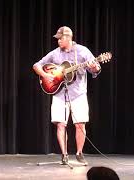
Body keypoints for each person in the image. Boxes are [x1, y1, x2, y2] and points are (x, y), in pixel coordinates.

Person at [33, 26, 101, 165]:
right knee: (61, 125)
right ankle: (64, 155)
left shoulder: (82, 51)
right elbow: (36, 65)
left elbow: (95, 69)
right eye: (57, 39)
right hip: (59, 94)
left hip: (78, 93)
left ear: (68, 38)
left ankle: (79, 153)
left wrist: (94, 67)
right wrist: (46, 75)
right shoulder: (55, 53)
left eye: (60, 39)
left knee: (80, 124)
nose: (58, 41)